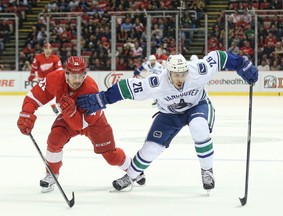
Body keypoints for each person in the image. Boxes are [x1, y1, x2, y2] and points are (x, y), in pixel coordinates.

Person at [76, 50, 258, 192]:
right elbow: (127, 88)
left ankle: (207, 171)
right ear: (168, 72)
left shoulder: (198, 71)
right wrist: (102, 99)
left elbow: (220, 57)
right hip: (169, 114)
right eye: (176, 74)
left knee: (199, 127)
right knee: (150, 149)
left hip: (198, 106)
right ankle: (131, 176)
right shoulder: (156, 83)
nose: (181, 78)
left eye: (183, 73)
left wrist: (242, 63)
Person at [17, 56, 145, 193]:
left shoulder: (90, 88)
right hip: (68, 117)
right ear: (66, 73)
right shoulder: (54, 78)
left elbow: (81, 125)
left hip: (94, 123)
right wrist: (26, 113)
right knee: (54, 139)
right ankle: (51, 174)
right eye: (73, 76)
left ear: (85, 74)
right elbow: (34, 97)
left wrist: (71, 113)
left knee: (111, 156)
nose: (77, 81)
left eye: (80, 76)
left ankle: (133, 171)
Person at [28, 42, 63, 114]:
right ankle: (54, 106)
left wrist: (60, 78)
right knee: (48, 93)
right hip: (42, 79)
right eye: (46, 49)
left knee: (56, 93)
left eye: (49, 49)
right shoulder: (38, 57)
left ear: (51, 50)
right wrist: (32, 75)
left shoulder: (55, 58)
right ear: (43, 49)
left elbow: (59, 70)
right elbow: (34, 67)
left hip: (52, 79)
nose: (48, 50)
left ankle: (57, 106)